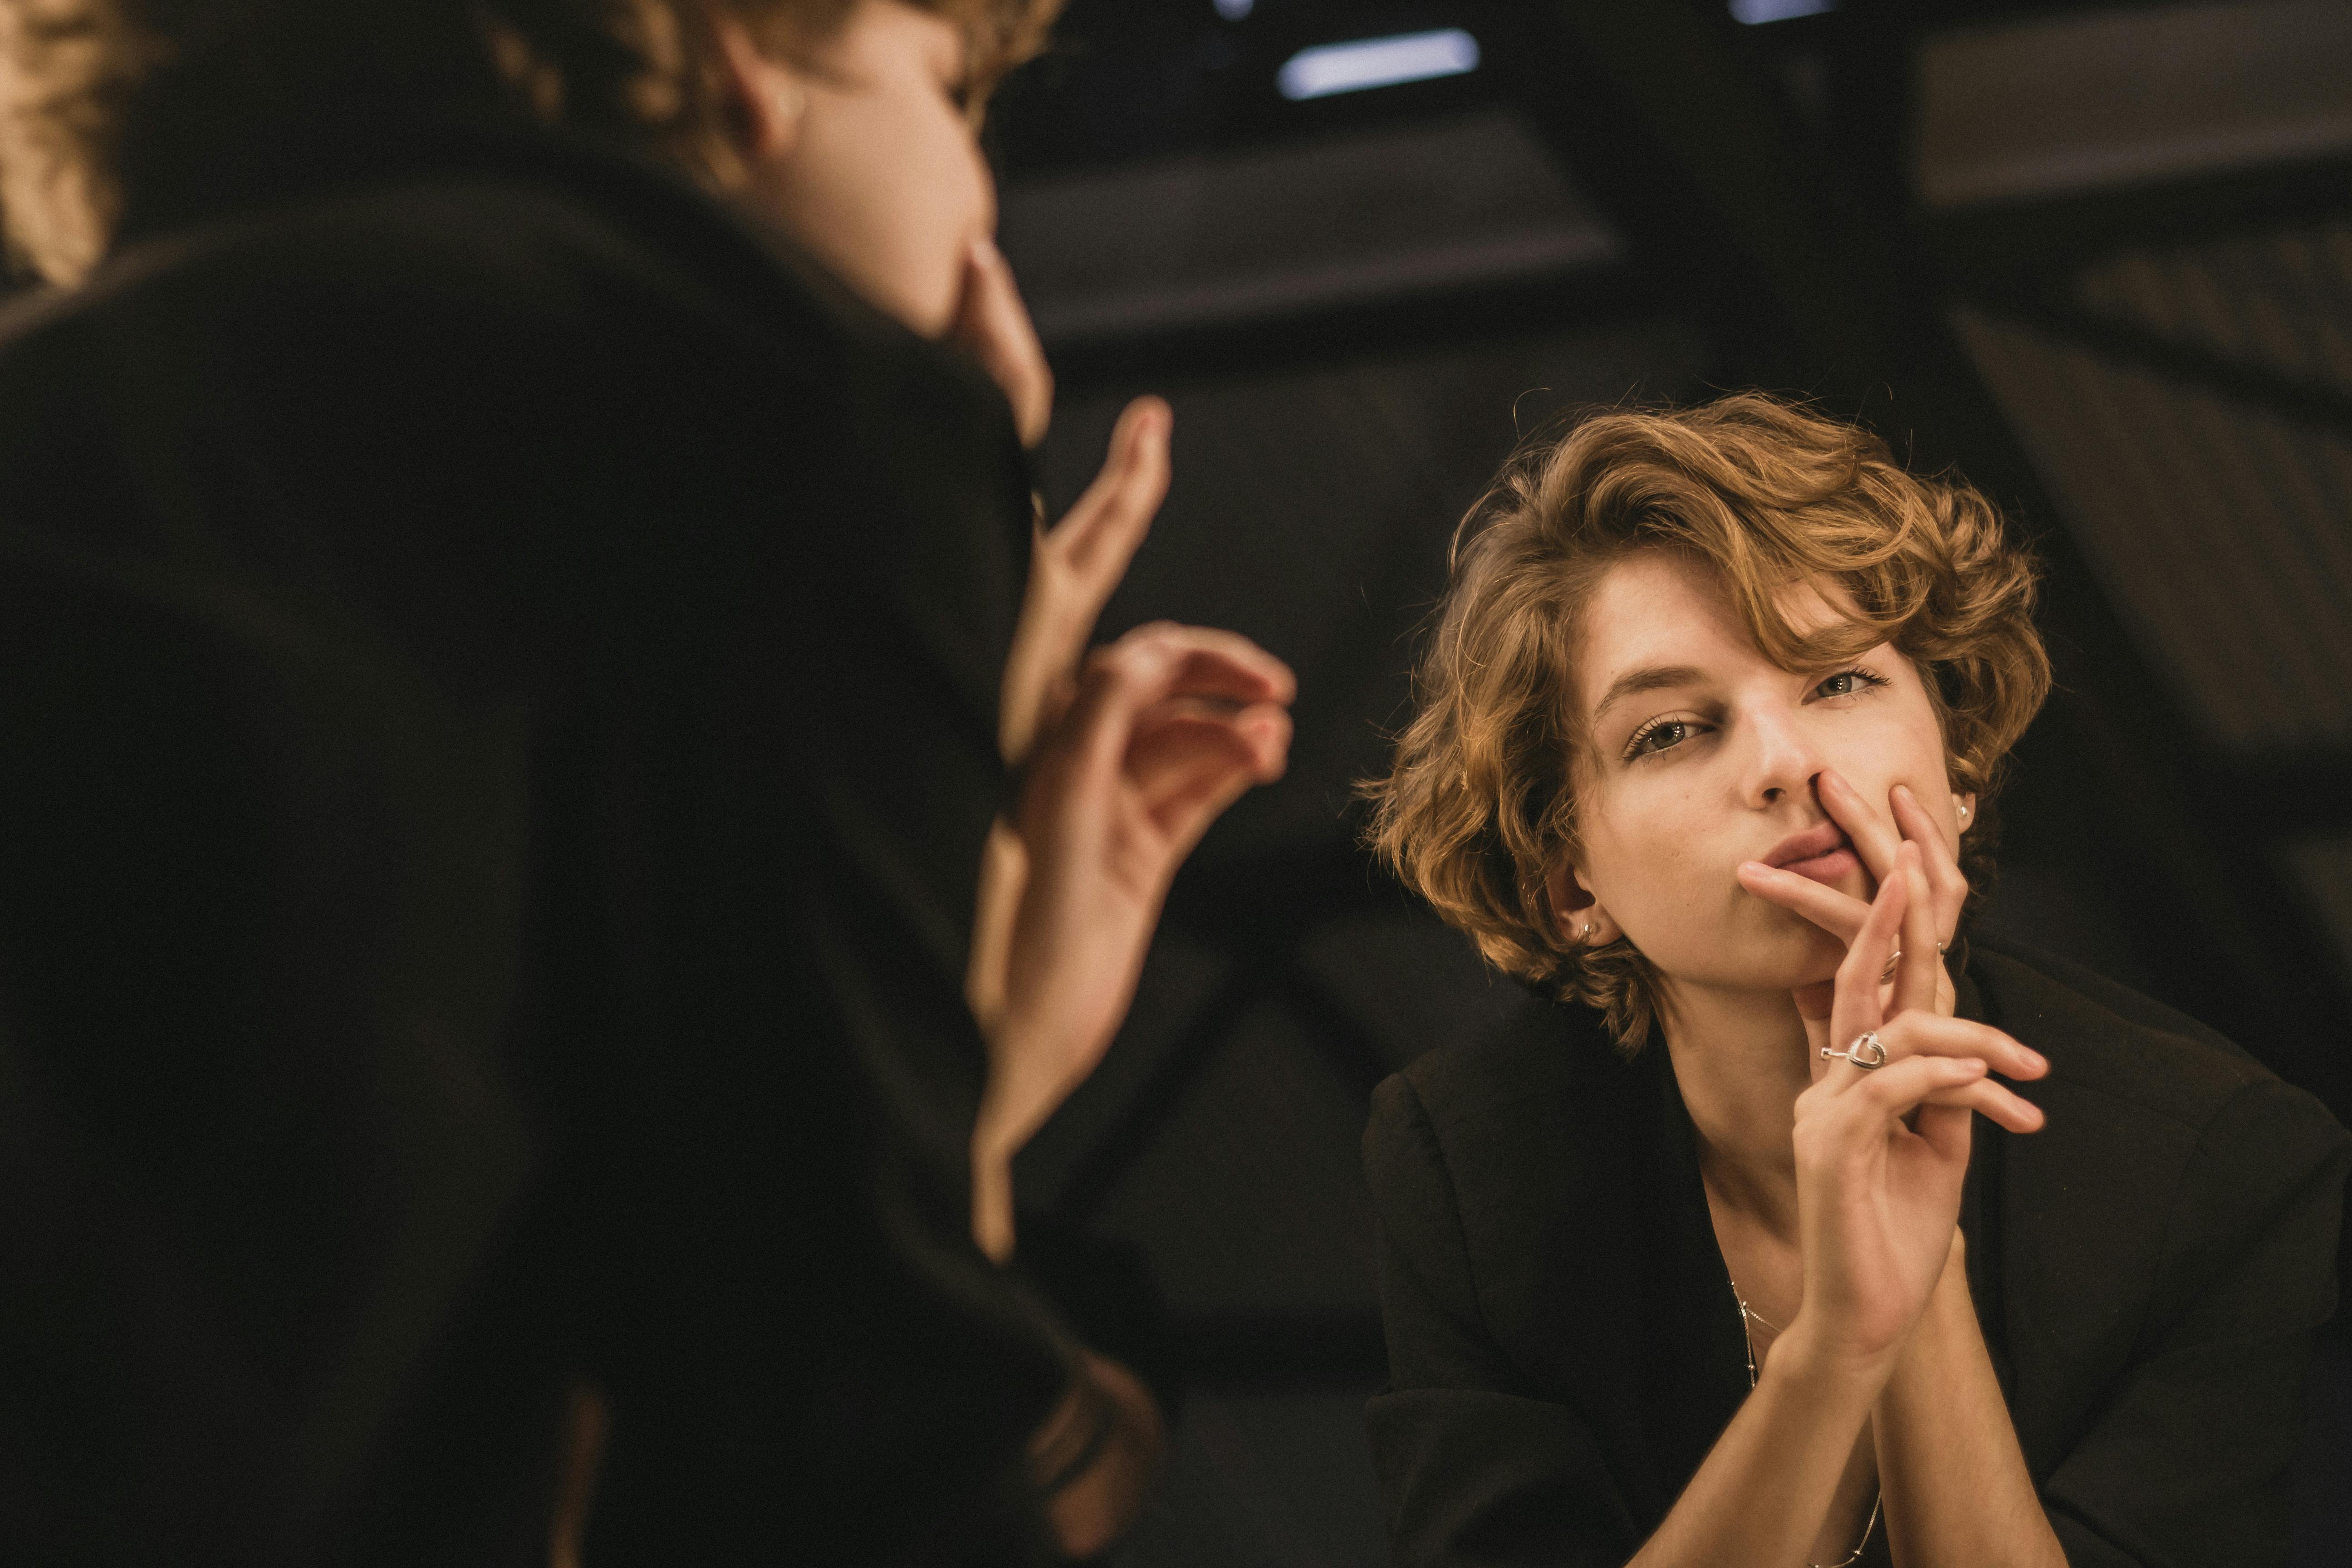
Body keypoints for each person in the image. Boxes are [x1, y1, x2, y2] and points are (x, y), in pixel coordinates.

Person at [0, 0, 1290, 1562]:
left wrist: (977, 1075)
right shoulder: (762, 391)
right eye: (948, 93)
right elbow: (847, 1468)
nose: (980, 200)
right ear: (742, 64)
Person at [1358, 393, 2350, 1568]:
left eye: (1837, 681)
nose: (1787, 764)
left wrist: (1914, 1278)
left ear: (1960, 759)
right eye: (1673, 730)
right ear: (1569, 881)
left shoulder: (2221, 1165)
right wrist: (1836, 1349)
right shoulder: (1472, 1164)